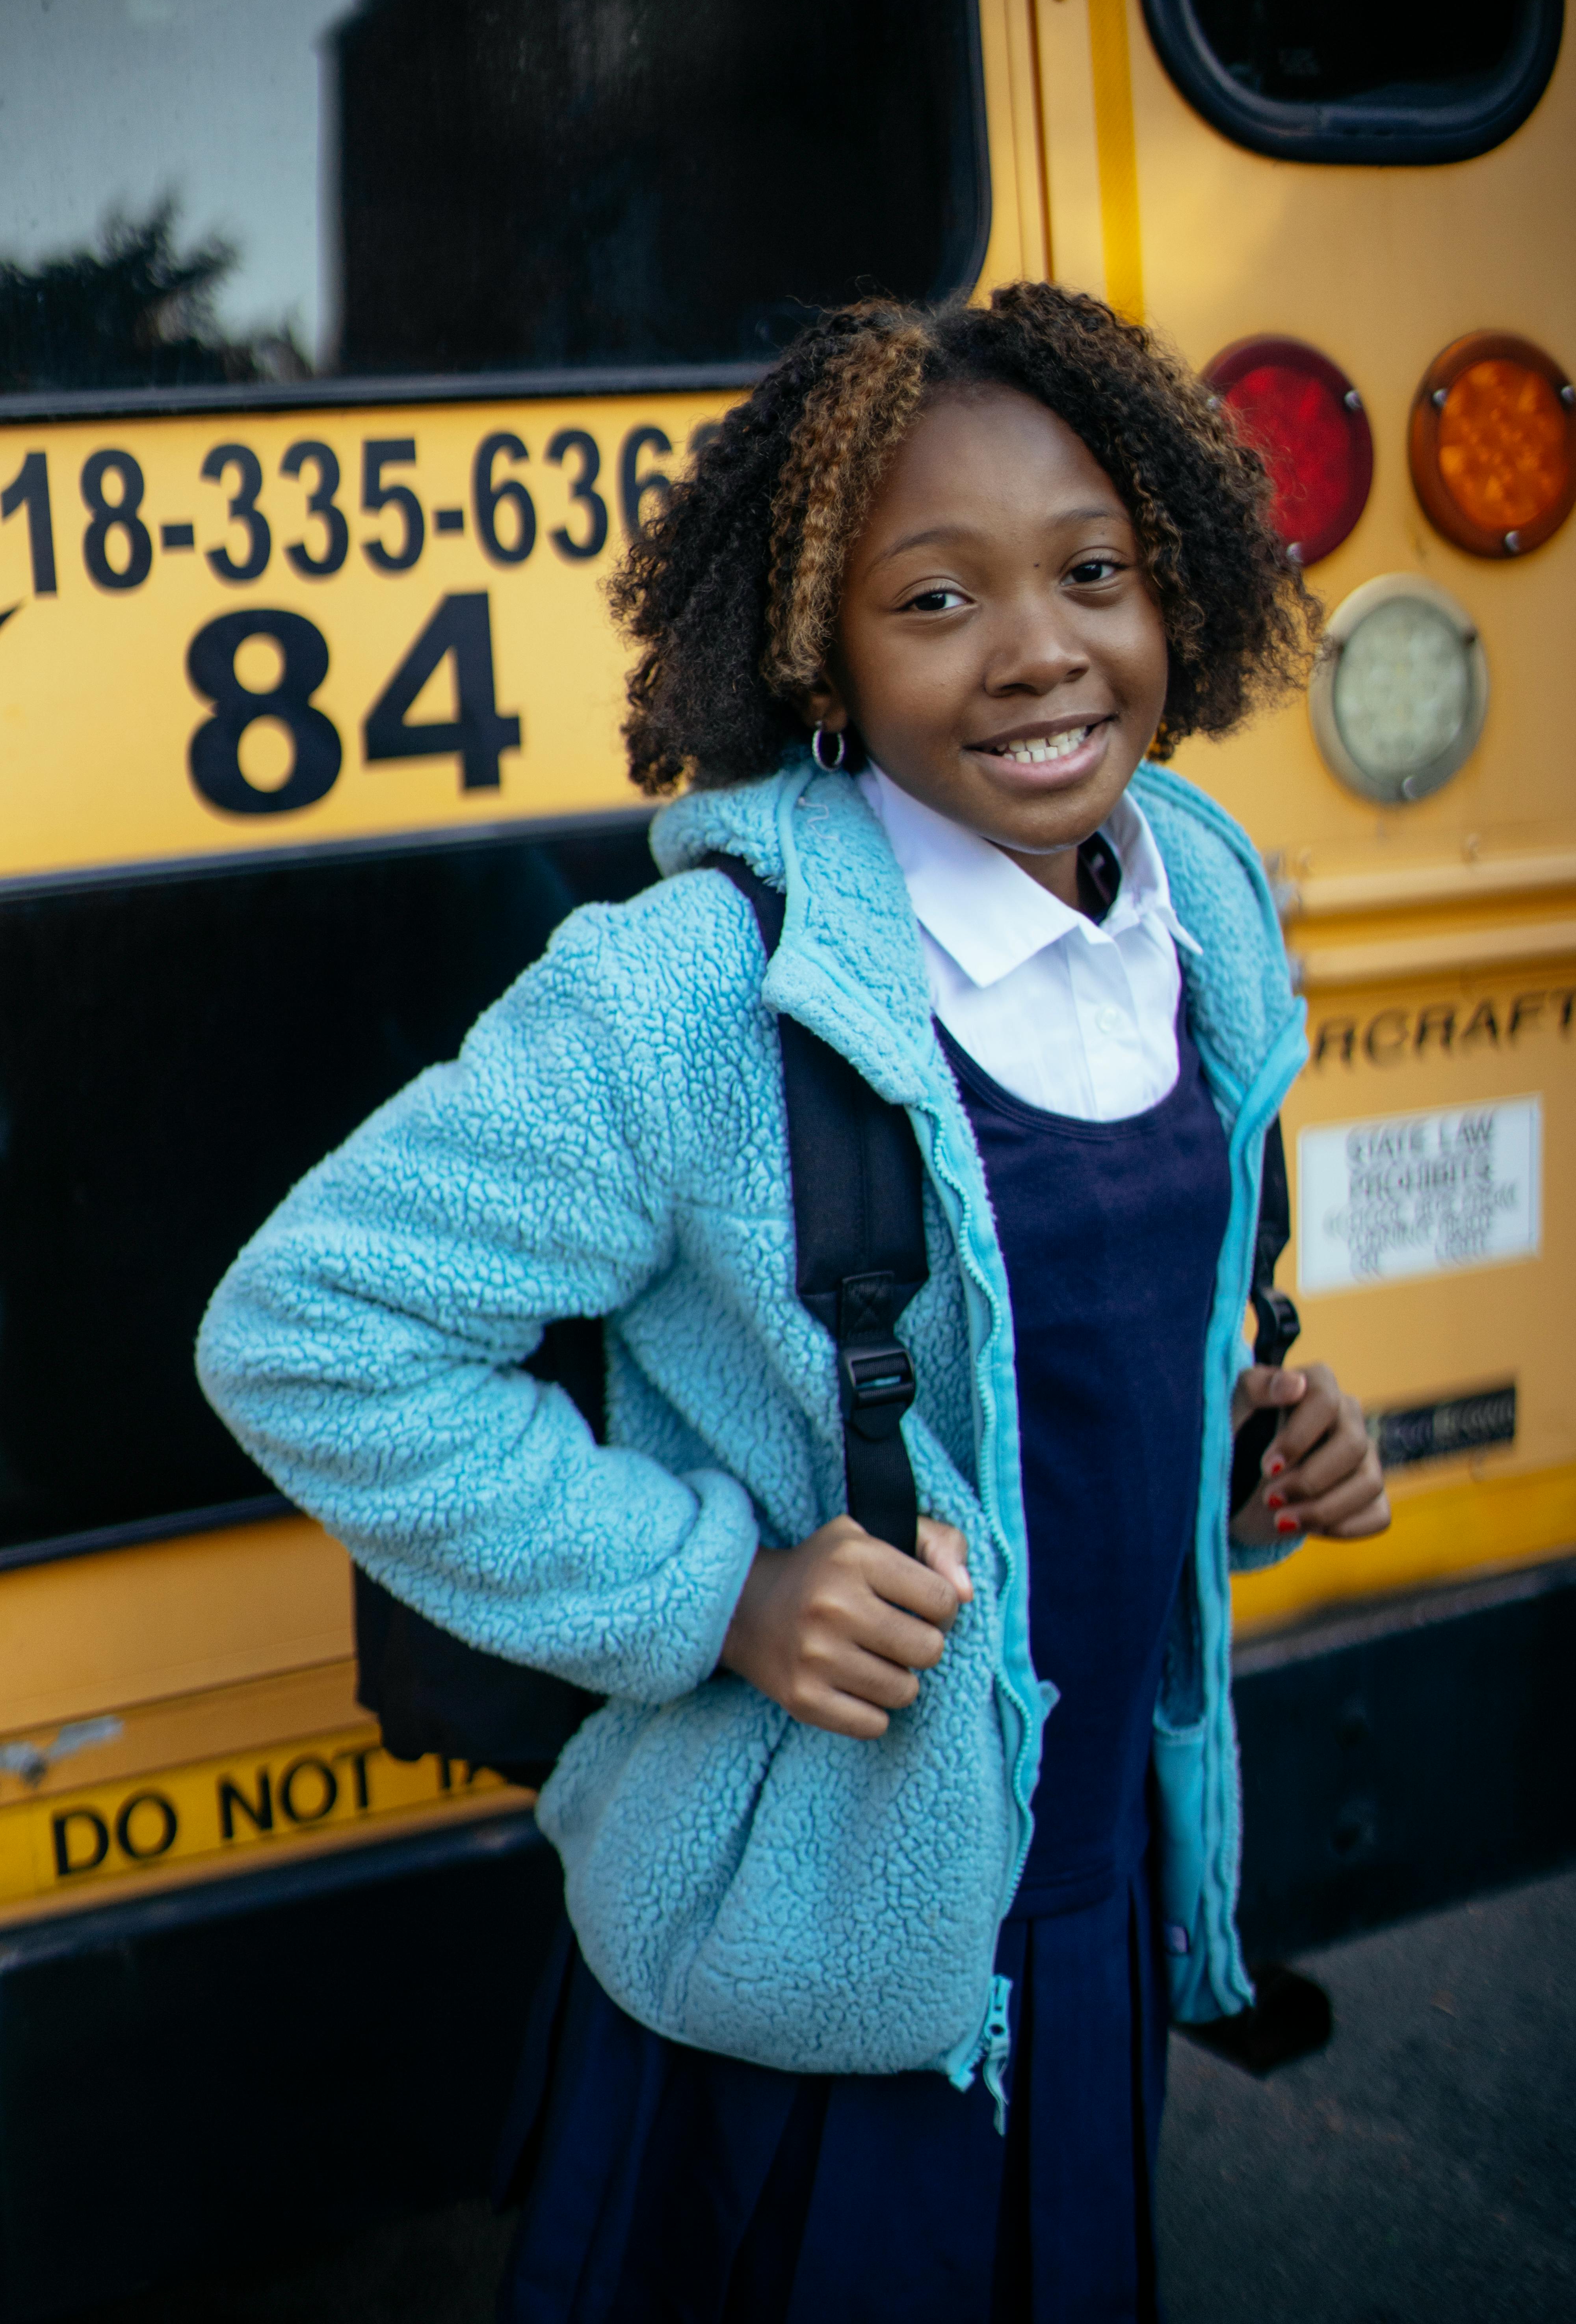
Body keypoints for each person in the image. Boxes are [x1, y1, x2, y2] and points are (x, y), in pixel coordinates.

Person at [197, 283, 1390, 2323]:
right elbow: (309, 1328)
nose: (1038, 653)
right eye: (934, 602)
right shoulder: (689, 994)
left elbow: (1083, 1361)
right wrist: (717, 1593)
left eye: (1093, 573)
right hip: (815, 1988)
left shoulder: (1204, 905)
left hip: (1083, 1909)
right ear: (818, 661)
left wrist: (1255, 1445)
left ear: (1176, 585)